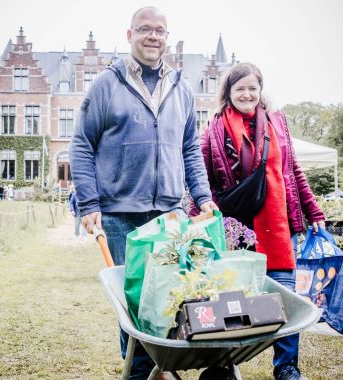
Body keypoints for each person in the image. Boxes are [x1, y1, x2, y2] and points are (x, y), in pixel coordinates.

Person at [70, 6, 216, 380]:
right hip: (119, 214)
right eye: (145, 29)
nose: (154, 36)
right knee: (133, 301)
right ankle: (141, 373)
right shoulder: (106, 84)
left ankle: (162, 367)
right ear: (129, 34)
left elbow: (189, 151)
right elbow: (82, 144)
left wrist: (203, 197)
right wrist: (88, 203)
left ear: (168, 37)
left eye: (161, 31)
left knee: (171, 295)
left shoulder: (181, 88)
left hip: (169, 213)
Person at [189, 63, 325, 380]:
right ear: (229, 93)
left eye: (253, 87)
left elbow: (293, 171)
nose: (247, 94)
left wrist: (313, 210)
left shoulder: (278, 122)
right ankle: (222, 365)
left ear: (260, 89)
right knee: (230, 300)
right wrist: (203, 210)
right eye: (240, 89)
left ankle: (287, 367)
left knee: (286, 298)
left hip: (280, 225)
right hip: (238, 230)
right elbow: (201, 176)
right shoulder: (215, 128)